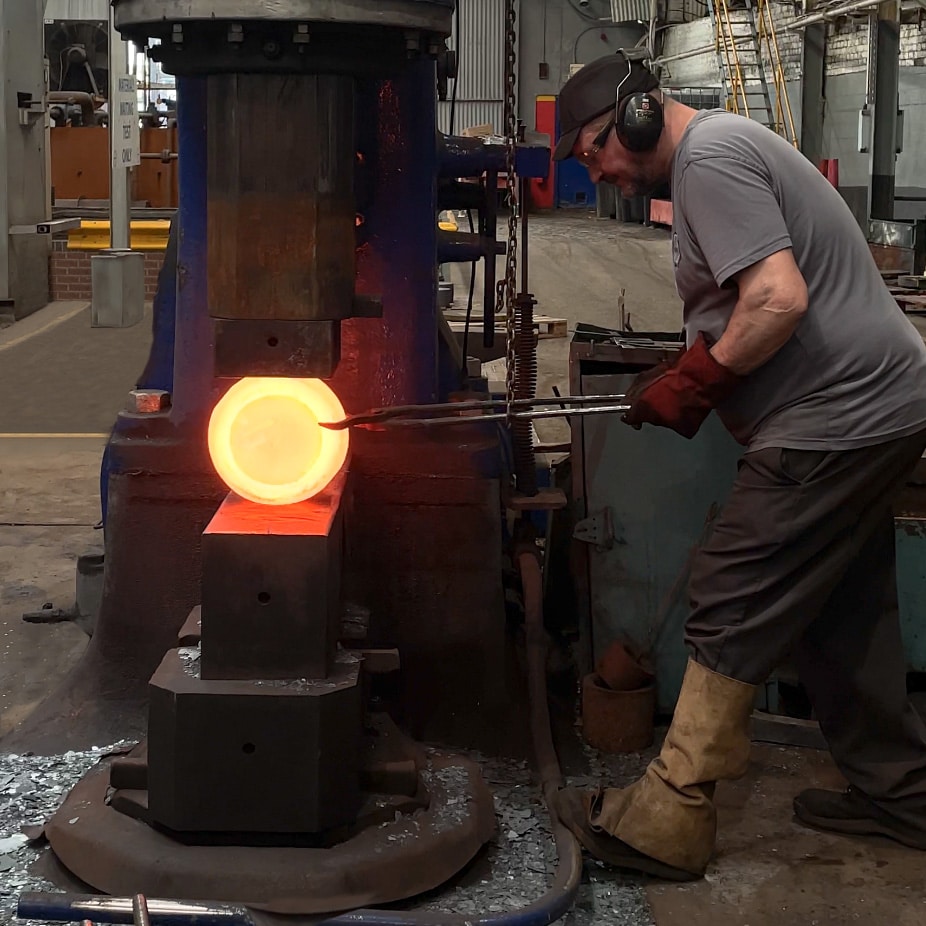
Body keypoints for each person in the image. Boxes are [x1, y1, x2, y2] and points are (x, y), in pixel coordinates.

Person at [549, 51, 926, 881]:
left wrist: (700, 379)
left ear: (642, 115)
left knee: (731, 591)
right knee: (839, 614)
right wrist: (687, 368)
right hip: (880, 406)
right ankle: (900, 795)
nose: (601, 170)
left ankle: (673, 812)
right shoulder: (708, 164)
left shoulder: (710, 158)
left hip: (838, 417)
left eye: (597, 149)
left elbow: (778, 299)